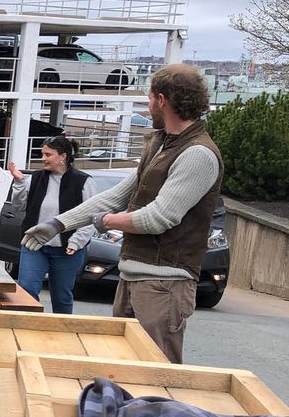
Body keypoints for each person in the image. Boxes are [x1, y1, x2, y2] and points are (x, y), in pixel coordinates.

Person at [21, 64, 223, 363]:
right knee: (123, 369)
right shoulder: (160, 144)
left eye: (150, 98)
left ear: (162, 100)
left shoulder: (197, 154)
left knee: (156, 374)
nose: (148, 104)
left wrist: (106, 222)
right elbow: (118, 195)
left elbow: (158, 217)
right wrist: (58, 223)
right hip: (132, 277)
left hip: (164, 284)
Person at [8, 136, 97, 314]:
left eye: (48, 154)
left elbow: (92, 216)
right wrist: (18, 182)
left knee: (61, 296)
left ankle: (62, 335)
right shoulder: (35, 178)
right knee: (26, 289)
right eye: (42, 154)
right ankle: (28, 331)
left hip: (67, 250)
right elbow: (18, 207)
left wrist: (76, 242)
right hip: (35, 246)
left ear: (62, 157)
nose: (43, 158)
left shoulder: (83, 182)